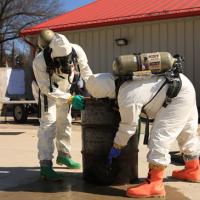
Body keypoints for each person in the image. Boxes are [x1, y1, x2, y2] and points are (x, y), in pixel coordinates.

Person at [81, 54, 200, 198]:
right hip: (182, 84)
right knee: (187, 132)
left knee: (160, 136)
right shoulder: (124, 79)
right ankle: (193, 169)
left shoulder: (126, 95)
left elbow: (128, 127)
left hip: (177, 95)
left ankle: (155, 184)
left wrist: (117, 146)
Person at [32, 29, 92, 181]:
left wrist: (95, 89)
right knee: (48, 126)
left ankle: (64, 155)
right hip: (47, 94)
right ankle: (45, 165)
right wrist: (70, 99)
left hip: (66, 90)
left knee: (65, 123)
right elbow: (46, 88)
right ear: (50, 51)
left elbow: (86, 72)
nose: (65, 63)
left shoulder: (77, 50)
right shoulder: (40, 61)